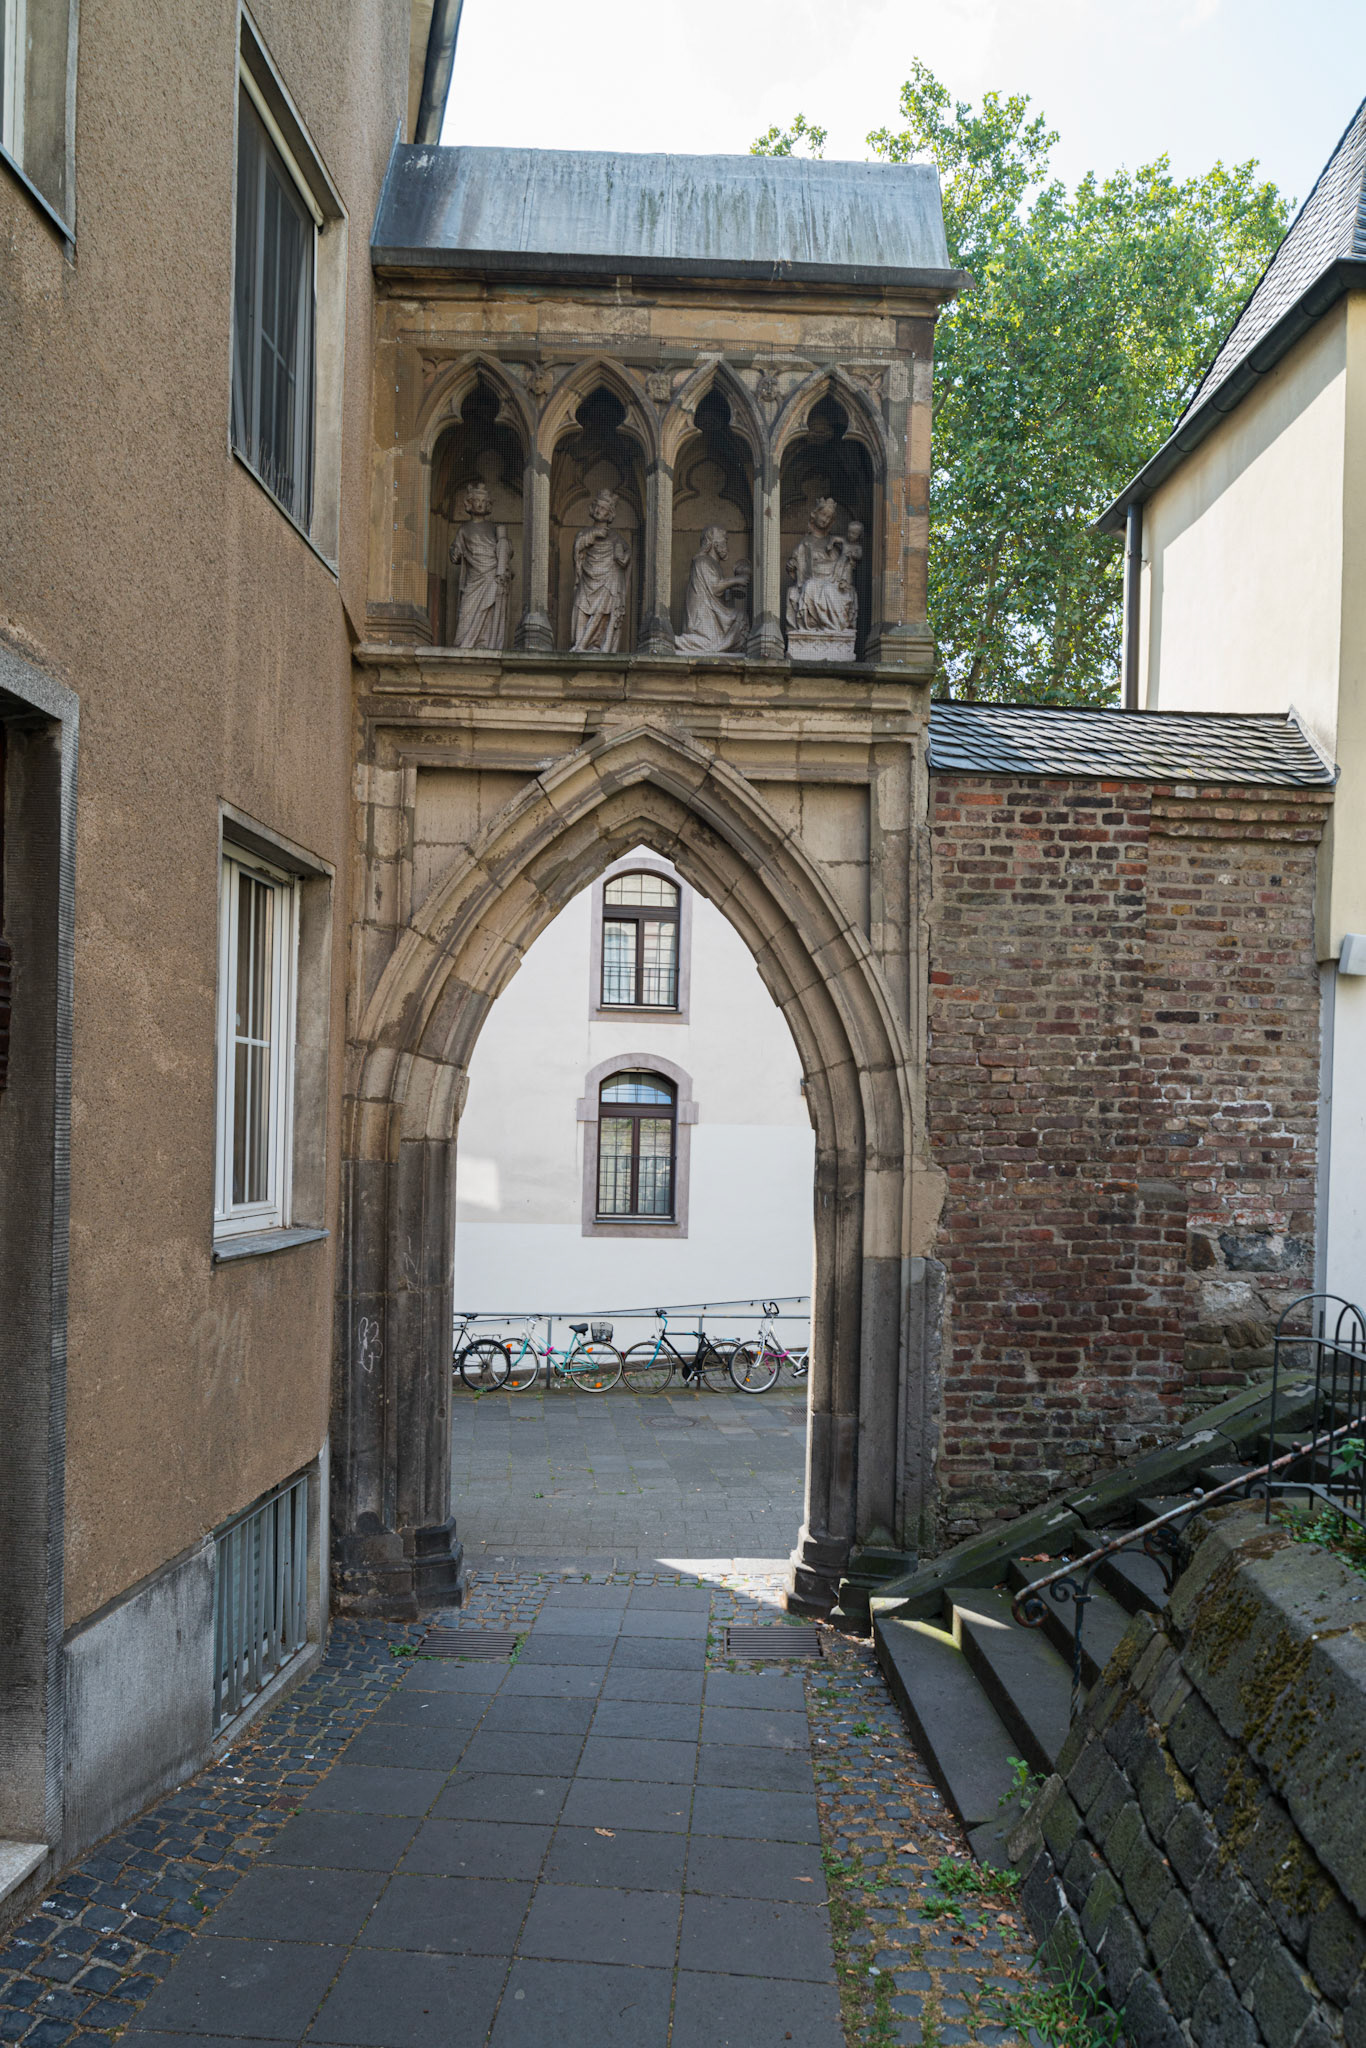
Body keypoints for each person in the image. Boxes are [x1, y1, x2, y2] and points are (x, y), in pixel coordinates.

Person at [448, 482, 512, 650]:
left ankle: (484, 643)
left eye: (484, 502)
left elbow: (507, 550)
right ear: (470, 503)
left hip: (491, 574)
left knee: (488, 611)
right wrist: (455, 552)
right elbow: (456, 552)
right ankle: (465, 642)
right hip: (474, 578)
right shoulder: (464, 529)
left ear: (488, 505)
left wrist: (504, 545)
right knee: (467, 610)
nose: (480, 504)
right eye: (477, 501)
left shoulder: (494, 528)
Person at [571, 489, 633, 653]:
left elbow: (627, 556)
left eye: (604, 508)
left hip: (609, 580)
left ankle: (595, 646)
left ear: (610, 514)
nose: (599, 510)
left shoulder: (616, 538)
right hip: (588, 578)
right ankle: (580, 643)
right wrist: (593, 535)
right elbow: (578, 547)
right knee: (581, 608)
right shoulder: (584, 533)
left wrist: (623, 558)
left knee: (603, 610)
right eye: (597, 507)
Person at [675, 525, 751, 655]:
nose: (726, 546)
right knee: (740, 617)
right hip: (703, 616)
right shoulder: (702, 561)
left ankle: (719, 646)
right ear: (715, 544)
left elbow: (715, 594)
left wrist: (731, 591)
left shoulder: (713, 564)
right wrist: (736, 580)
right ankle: (713, 645)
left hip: (713, 612)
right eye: (725, 542)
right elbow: (715, 587)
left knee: (740, 618)